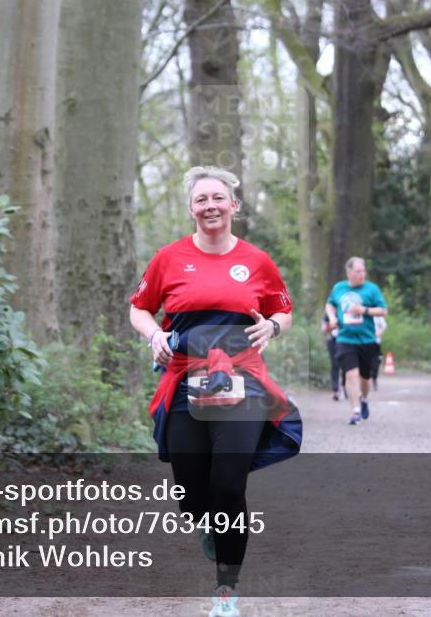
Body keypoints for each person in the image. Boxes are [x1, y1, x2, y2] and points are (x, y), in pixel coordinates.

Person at [129, 166, 302, 617]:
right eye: (201, 199)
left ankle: (226, 591)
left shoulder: (258, 261)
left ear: (234, 206)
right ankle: (206, 520)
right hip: (185, 379)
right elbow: (140, 310)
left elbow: (283, 311)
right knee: (191, 492)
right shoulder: (168, 258)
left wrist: (272, 327)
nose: (210, 206)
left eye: (218, 198)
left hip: (241, 379)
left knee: (229, 484)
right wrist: (154, 337)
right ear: (191, 209)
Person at [325, 257, 387, 425]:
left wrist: (364, 310)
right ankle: (356, 411)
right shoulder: (339, 288)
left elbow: (383, 311)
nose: (362, 274)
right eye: (358, 271)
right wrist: (331, 318)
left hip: (367, 340)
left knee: (365, 378)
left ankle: (364, 399)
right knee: (351, 374)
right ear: (349, 273)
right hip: (345, 338)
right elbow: (330, 304)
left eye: (363, 271)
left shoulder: (372, 289)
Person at [321, 311, 344, 400]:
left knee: (345, 365)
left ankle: (344, 387)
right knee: (334, 365)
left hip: (345, 340)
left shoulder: (346, 307)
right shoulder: (327, 312)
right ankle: (335, 390)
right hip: (332, 340)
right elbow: (323, 328)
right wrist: (331, 326)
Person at [370, 314, 387, 391]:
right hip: (363, 342)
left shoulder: (377, 316)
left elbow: (384, 326)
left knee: (376, 362)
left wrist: (377, 334)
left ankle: (374, 378)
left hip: (375, 343)